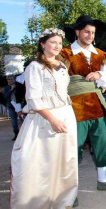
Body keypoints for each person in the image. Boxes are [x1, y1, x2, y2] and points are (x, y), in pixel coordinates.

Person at [10, 28, 78, 208]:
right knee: (41, 161)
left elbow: (63, 92)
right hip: (44, 118)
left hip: (66, 115)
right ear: (42, 44)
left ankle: (61, 200)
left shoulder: (63, 65)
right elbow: (33, 98)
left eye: (59, 42)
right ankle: (37, 202)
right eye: (52, 42)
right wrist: (53, 120)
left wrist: (65, 117)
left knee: (63, 160)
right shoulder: (34, 66)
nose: (57, 46)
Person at [60, 15, 106, 193]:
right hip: (74, 106)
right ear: (77, 32)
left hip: (97, 105)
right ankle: (69, 189)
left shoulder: (101, 55)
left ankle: (103, 180)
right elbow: (58, 79)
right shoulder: (65, 53)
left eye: (93, 32)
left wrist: (100, 75)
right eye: (86, 31)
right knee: (74, 146)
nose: (90, 35)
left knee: (102, 143)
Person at [1, 75, 25, 140]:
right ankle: (16, 134)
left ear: (14, 79)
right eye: (9, 79)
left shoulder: (19, 86)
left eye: (11, 79)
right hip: (10, 106)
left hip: (20, 106)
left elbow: (22, 94)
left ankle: (25, 133)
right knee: (14, 121)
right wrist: (11, 89)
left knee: (23, 119)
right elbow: (5, 96)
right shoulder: (6, 88)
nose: (10, 80)